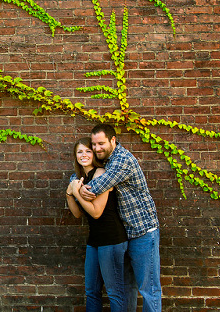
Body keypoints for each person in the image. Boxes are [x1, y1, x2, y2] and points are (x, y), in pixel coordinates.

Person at [79, 124, 161, 312]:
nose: (97, 148)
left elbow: (97, 186)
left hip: (143, 232)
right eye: (94, 144)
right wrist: (75, 182)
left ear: (113, 140)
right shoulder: (106, 160)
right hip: (124, 234)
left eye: (101, 143)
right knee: (127, 287)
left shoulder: (121, 159)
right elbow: (87, 173)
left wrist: (76, 188)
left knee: (148, 288)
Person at [66, 137, 129, 312]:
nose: (84, 155)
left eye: (88, 151)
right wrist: (69, 193)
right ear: (75, 156)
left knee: (114, 292)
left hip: (112, 239)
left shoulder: (101, 173)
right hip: (94, 241)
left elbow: (96, 212)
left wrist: (75, 191)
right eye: (80, 152)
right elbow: (78, 214)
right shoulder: (78, 178)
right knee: (91, 291)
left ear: (94, 154)